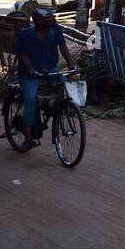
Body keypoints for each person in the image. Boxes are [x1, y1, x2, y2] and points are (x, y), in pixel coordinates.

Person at [15, 9, 76, 149]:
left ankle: (54, 111)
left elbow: (63, 47)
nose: (52, 18)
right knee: (30, 99)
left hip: (50, 69)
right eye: (48, 17)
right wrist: (30, 68)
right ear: (38, 21)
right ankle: (28, 137)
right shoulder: (26, 34)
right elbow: (22, 54)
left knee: (64, 86)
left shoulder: (56, 30)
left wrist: (71, 63)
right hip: (30, 72)